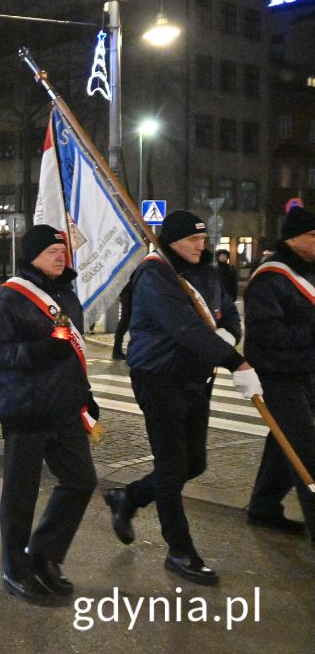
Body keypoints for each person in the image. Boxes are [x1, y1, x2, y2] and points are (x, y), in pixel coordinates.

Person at [102, 210, 259, 586]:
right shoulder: (155, 274)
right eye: (193, 239)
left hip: (195, 378)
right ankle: (180, 550)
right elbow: (183, 326)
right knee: (173, 467)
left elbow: (227, 314)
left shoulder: (207, 270)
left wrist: (228, 337)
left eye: (203, 239)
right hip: (158, 377)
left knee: (195, 463)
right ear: (172, 241)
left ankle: (130, 497)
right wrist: (236, 362)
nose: (200, 245)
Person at [0, 224, 99, 604]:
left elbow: (72, 352)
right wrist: (38, 351)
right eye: (51, 252)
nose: (60, 257)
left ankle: (43, 555)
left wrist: (85, 394)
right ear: (31, 256)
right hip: (25, 409)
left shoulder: (66, 294)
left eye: (62, 251)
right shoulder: (9, 298)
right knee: (21, 496)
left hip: (64, 407)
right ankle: (14, 569)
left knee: (81, 481)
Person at [243, 206, 315, 544]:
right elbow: (269, 334)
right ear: (295, 238)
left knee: (284, 441)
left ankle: (264, 506)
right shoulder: (270, 276)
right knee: (306, 450)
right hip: (278, 374)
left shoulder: (308, 270)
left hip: (305, 371)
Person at [110, 280, 133, 360]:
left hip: (129, 292)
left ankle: (117, 351)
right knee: (125, 322)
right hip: (128, 293)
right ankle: (117, 351)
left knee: (126, 322)